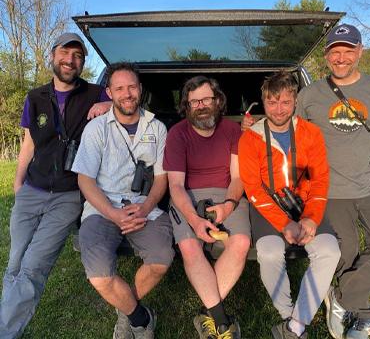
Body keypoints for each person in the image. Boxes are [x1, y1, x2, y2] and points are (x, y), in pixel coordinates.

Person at [0, 32, 112, 338]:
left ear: (82, 63)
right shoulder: (35, 97)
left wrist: (108, 106)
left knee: (34, 266)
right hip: (31, 190)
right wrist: (18, 181)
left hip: (68, 195)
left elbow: (127, 105)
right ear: (52, 55)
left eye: (77, 56)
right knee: (15, 263)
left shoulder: (96, 93)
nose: (70, 60)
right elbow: (28, 144)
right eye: (65, 52)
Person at [295, 23, 370, 338]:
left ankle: (341, 298)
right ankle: (362, 312)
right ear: (326, 55)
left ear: (360, 51)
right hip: (329, 190)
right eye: (335, 52)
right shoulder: (309, 94)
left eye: (348, 51)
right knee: (346, 249)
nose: (341, 58)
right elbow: (298, 143)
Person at [72, 62, 173, 339]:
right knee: (99, 275)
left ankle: (124, 306)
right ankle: (139, 317)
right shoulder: (96, 129)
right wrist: (114, 215)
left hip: (145, 208)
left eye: (132, 87)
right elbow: (85, 181)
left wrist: (147, 207)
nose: (126, 94)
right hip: (102, 208)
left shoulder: (158, 129)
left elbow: (162, 179)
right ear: (109, 93)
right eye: (119, 88)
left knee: (162, 258)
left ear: (140, 90)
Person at [239, 70, 337, 339]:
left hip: (303, 204)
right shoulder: (251, 138)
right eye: (272, 102)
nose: (278, 109)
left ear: (295, 101)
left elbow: (319, 179)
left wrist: (311, 217)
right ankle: (287, 314)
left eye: (285, 102)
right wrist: (284, 224)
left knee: (329, 251)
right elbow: (253, 188)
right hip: (267, 207)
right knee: (269, 253)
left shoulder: (311, 133)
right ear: (263, 102)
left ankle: (294, 327)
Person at [163, 76, 250, 338]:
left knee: (242, 243)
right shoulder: (177, 134)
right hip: (188, 197)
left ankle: (206, 312)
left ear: (218, 101)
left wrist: (229, 205)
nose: (201, 105)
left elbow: (238, 178)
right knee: (190, 248)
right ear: (186, 106)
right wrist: (192, 217)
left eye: (206, 99)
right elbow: (175, 186)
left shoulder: (233, 131)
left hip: (228, 195)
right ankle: (222, 322)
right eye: (194, 102)